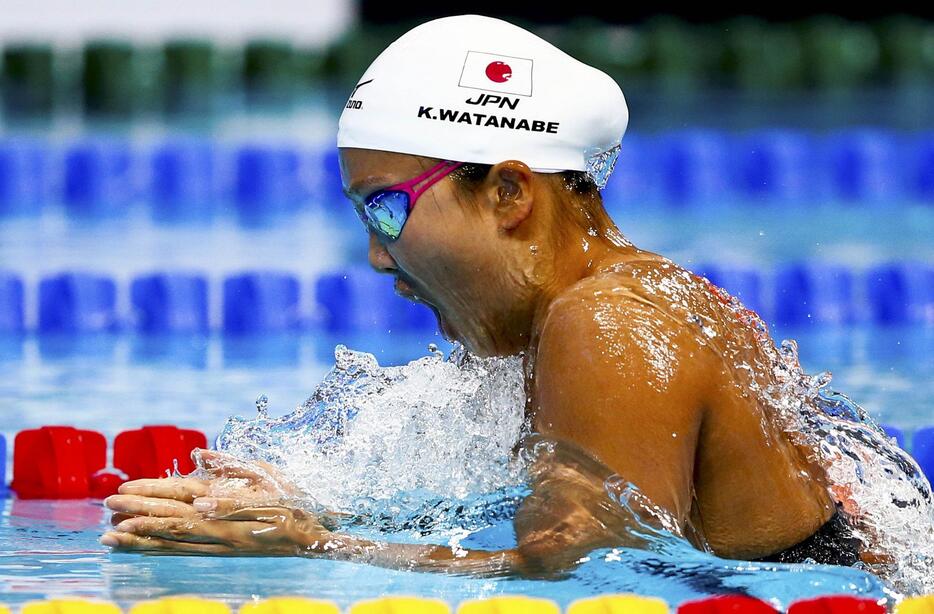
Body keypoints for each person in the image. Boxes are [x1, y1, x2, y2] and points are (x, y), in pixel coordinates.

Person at [100, 13, 871, 576]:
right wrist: (319, 511)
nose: (376, 256)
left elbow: (584, 581)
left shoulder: (606, 324)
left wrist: (314, 545)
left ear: (508, 192)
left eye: (386, 207)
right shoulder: (613, 304)